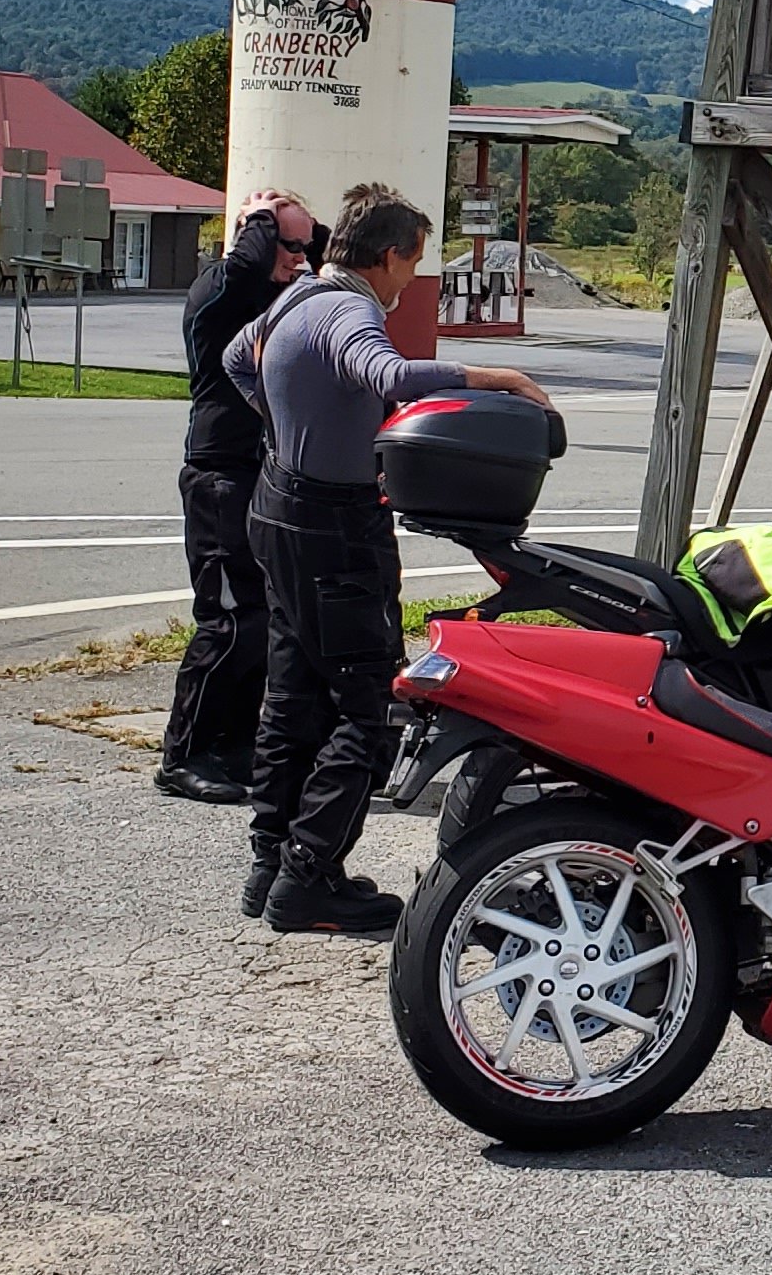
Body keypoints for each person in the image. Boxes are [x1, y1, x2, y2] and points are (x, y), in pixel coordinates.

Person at [230, 182, 554, 937]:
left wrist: (289, 430)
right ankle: (308, 877)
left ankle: (270, 862)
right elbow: (390, 376)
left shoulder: (295, 299)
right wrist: (496, 377)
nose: (411, 279)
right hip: (333, 526)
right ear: (385, 256)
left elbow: (234, 360)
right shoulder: (348, 310)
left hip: (278, 507)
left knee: (293, 695)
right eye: (412, 262)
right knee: (369, 705)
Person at [154, 186, 316, 804]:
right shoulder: (219, 290)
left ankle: (235, 744)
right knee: (227, 620)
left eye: (303, 245)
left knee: (262, 620)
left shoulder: (277, 295)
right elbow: (247, 264)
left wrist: (297, 233)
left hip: (260, 473)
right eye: (286, 244)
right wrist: (259, 220)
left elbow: (330, 257)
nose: (299, 257)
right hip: (218, 475)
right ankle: (183, 756)